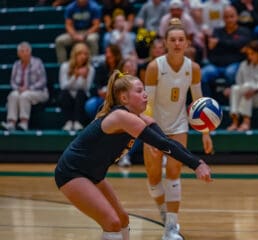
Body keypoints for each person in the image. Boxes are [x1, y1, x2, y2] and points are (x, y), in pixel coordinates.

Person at [54, 69, 212, 240]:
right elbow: (164, 144)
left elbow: (162, 140)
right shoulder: (121, 117)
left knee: (122, 219)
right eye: (138, 91)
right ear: (123, 98)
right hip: (72, 172)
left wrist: (157, 142)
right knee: (112, 222)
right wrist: (197, 164)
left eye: (144, 90)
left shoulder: (138, 118)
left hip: (93, 174)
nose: (145, 94)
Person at [144, 18, 213, 240]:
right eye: (172, 39)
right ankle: (164, 215)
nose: (176, 43)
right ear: (165, 42)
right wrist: (150, 137)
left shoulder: (193, 68)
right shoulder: (155, 67)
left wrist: (205, 133)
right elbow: (148, 106)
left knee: (174, 173)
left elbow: (199, 101)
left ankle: (171, 227)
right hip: (153, 126)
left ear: (187, 43)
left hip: (179, 125)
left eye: (181, 40)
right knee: (154, 177)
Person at [201, 5, 252, 104]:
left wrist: (220, 43)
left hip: (234, 64)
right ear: (223, 18)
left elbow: (239, 44)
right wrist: (232, 46)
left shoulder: (244, 32)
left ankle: (232, 102)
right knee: (203, 73)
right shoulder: (217, 31)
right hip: (216, 65)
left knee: (230, 72)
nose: (229, 19)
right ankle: (207, 104)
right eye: (226, 17)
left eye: (232, 16)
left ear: (237, 17)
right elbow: (214, 51)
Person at [0, 42, 49, 131]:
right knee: (13, 95)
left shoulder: (37, 63)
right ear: (18, 54)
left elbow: (43, 81)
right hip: (20, 90)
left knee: (24, 95)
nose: (24, 53)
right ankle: (11, 123)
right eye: (22, 51)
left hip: (39, 92)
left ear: (30, 52)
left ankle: (24, 123)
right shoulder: (16, 64)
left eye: (26, 51)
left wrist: (28, 88)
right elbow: (12, 81)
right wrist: (18, 88)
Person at [227, 40, 258, 131]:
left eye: (253, 53)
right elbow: (239, 82)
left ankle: (246, 121)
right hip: (246, 94)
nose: (250, 56)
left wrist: (254, 90)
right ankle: (235, 121)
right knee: (235, 88)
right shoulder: (243, 65)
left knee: (248, 88)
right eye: (248, 54)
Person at [58, 42, 95, 131]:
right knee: (65, 93)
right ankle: (68, 122)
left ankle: (78, 122)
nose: (83, 56)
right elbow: (63, 86)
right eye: (80, 54)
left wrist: (85, 78)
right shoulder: (65, 66)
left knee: (80, 93)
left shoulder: (90, 69)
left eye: (85, 54)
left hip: (81, 96)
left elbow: (87, 88)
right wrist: (76, 76)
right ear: (75, 55)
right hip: (67, 95)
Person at [85, 44, 123, 120]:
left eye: (109, 52)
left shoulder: (122, 66)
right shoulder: (101, 67)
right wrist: (99, 91)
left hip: (119, 97)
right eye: (106, 52)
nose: (107, 54)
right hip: (103, 97)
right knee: (90, 105)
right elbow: (96, 85)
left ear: (116, 54)